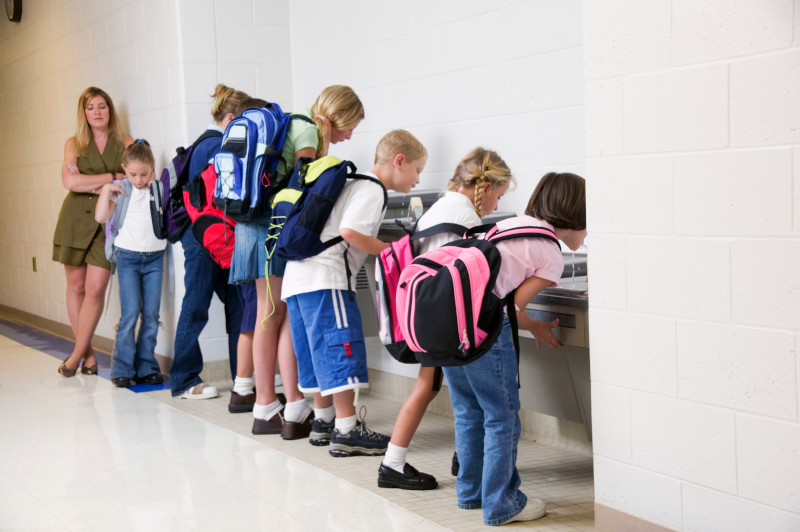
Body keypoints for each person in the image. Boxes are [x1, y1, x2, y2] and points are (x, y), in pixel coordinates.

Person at [442, 171, 586, 526]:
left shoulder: (513, 225)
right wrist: (533, 323)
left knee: (468, 412)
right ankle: (502, 504)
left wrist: (535, 326)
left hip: (448, 326)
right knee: (501, 416)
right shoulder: (550, 252)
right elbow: (508, 307)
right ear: (578, 213)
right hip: (482, 332)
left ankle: (471, 493)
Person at [378, 147, 516, 490]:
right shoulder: (466, 217)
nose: (496, 206)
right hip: (448, 320)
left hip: (425, 314)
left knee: (442, 392)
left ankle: (456, 464)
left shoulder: (441, 206)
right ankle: (400, 464)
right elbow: (474, 279)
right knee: (476, 402)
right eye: (498, 195)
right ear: (485, 186)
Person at [282, 129, 426, 457]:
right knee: (338, 349)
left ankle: (323, 422)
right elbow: (350, 232)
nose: (417, 179)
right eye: (417, 169)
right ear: (399, 161)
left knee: (319, 352)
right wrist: (390, 251)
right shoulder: (372, 190)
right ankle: (347, 430)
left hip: (298, 278)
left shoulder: (351, 180)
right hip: (326, 278)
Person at [232, 86, 365, 438]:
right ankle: (282, 403)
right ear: (336, 117)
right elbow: (301, 191)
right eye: (348, 126)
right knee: (277, 311)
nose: (348, 136)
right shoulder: (307, 131)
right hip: (269, 228)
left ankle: (274, 403)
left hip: (251, 225)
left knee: (268, 310)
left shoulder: (293, 122)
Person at [170, 84, 248, 400]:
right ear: (230, 118)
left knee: (238, 305)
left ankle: (243, 378)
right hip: (205, 237)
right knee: (198, 305)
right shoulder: (215, 146)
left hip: (210, 236)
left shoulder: (205, 144)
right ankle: (184, 380)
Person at [55, 87, 133, 377]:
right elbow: (69, 182)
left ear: (110, 110)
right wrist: (111, 177)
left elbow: (132, 180)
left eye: (102, 106)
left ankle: (74, 356)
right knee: (76, 287)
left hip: (107, 224)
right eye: (91, 108)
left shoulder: (126, 142)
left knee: (96, 288)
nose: (97, 112)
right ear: (83, 113)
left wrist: (90, 181)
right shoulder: (74, 144)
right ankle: (87, 355)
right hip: (74, 221)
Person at [95, 139, 166, 388]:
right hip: (127, 258)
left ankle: (146, 366)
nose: (138, 179)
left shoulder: (157, 188)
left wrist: (155, 181)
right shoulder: (121, 189)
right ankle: (122, 369)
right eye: (133, 173)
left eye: (144, 173)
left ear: (152, 169)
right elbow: (100, 216)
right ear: (124, 169)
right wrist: (105, 191)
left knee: (151, 315)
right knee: (130, 314)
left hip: (156, 258)